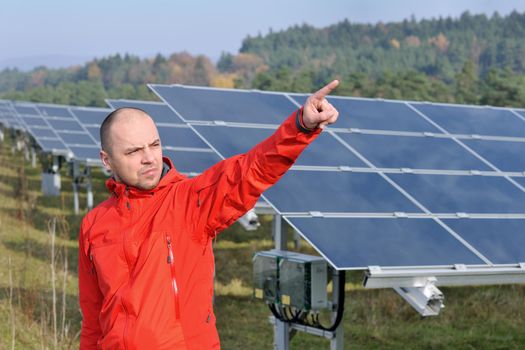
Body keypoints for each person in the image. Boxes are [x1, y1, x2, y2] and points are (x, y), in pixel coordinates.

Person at [78, 80, 340, 349]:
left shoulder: (190, 202)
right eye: (133, 151)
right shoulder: (95, 224)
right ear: (106, 160)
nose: (150, 158)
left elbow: (250, 171)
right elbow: (93, 316)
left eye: (154, 145)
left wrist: (300, 127)